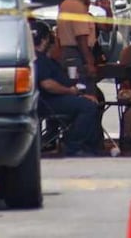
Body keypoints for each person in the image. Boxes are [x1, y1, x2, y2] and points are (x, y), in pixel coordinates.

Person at [31, 20, 101, 157]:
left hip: (57, 98)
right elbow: (48, 85)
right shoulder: (38, 59)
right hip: (48, 101)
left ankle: (89, 146)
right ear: (45, 39)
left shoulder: (44, 59)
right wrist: (70, 91)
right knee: (87, 107)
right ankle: (74, 145)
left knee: (90, 102)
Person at [56, 0, 97, 82]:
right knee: (83, 88)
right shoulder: (77, 6)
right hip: (78, 53)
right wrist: (89, 61)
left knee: (72, 85)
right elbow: (81, 37)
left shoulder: (64, 4)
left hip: (66, 53)